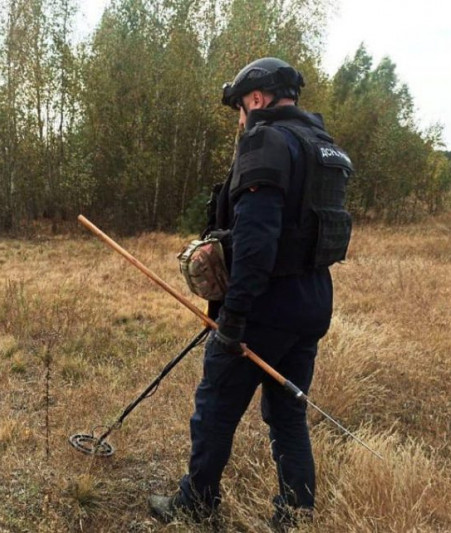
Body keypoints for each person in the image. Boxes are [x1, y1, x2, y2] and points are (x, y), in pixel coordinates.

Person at [148, 57, 353, 529]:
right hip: (312, 302)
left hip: (264, 308)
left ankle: (196, 504)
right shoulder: (321, 147)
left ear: (257, 99)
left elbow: (258, 241)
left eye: (241, 108)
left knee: (215, 410)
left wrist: (233, 318)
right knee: (288, 413)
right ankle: (296, 515)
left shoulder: (266, 141)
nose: (241, 119)